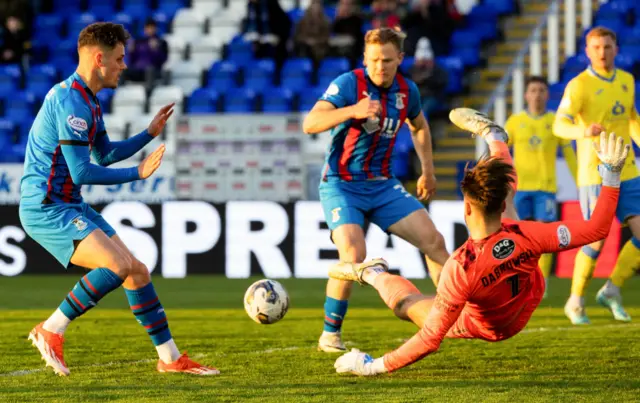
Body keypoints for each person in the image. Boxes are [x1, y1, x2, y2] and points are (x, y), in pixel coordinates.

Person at [330, 107, 629, 376]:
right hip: (525, 306)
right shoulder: (530, 233)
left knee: (406, 305)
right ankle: (494, 137)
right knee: (506, 202)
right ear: (498, 207)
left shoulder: (460, 267)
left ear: (467, 208)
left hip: (484, 325)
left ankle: (372, 272)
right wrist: (612, 175)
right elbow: (598, 228)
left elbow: (430, 338)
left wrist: (371, 366)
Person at [19, 22, 218, 376]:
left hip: (69, 204)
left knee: (136, 271)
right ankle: (51, 329)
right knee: (117, 266)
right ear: (100, 58)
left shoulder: (87, 100)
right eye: (120, 58)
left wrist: (148, 133)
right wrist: (136, 174)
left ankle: (170, 359)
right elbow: (82, 172)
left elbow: (106, 154)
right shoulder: (71, 102)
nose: (124, 65)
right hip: (46, 207)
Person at [302, 27, 449, 353]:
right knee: (353, 255)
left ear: (400, 58)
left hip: (383, 184)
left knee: (434, 241)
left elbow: (419, 125)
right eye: (373, 60)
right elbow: (310, 123)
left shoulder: (407, 90)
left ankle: (447, 314)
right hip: (342, 183)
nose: (379, 67)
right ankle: (330, 333)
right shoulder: (348, 84)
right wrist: (352, 111)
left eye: (386, 60)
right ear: (365, 59)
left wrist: (428, 171)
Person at [553, 26, 640, 325]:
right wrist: (583, 131)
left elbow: (632, 120)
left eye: (607, 46)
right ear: (588, 52)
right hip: (595, 174)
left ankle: (612, 290)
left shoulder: (627, 81)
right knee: (595, 241)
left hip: (627, 167)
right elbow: (558, 125)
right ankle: (575, 301)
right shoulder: (579, 86)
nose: (602, 52)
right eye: (596, 47)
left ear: (616, 48)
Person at [504, 76, 578, 296]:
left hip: (546, 189)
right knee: (518, 237)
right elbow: (500, 150)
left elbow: (569, 153)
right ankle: (519, 278)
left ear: (547, 95)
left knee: (544, 237)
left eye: (541, 90)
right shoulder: (515, 122)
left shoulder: (555, 122)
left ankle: (541, 280)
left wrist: (580, 182)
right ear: (526, 95)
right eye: (533, 90)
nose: (537, 94)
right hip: (520, 189)